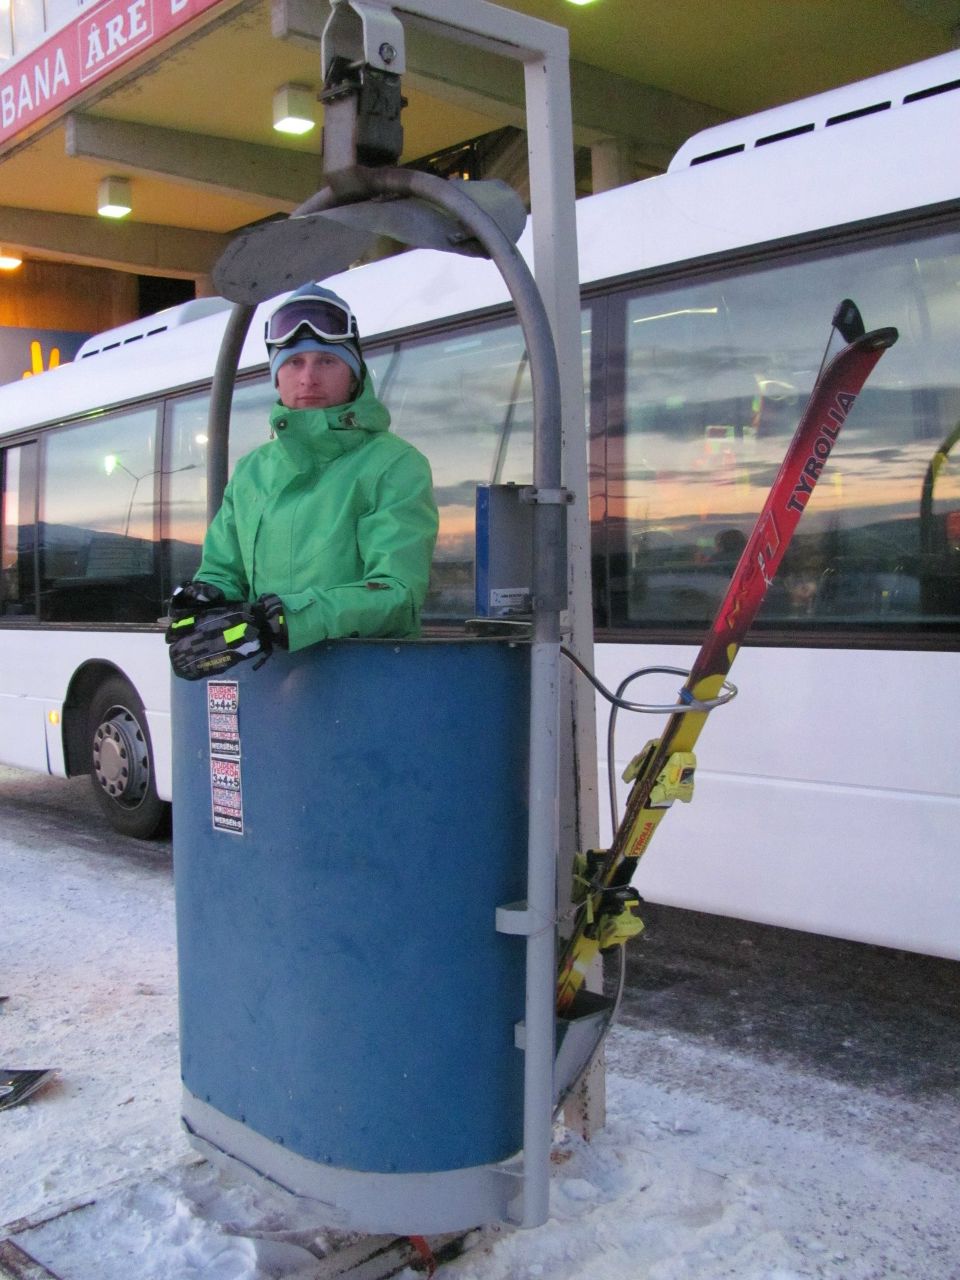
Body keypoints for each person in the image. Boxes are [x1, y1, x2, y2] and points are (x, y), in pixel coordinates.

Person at [166, 283, 439, 680]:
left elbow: (398, 593)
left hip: (367, 683)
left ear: (354, 375)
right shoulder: (252, 472)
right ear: (276, 378)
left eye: (327, 361)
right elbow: (223, 569)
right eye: (294, 363)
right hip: (269, 688)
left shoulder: (394, 465)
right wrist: (208, 597)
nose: (308, 378)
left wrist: (289, 619)